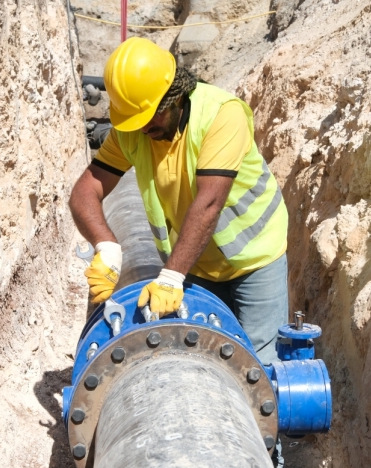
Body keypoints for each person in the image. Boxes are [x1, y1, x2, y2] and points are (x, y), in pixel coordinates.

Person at [68, 37, 289, 367]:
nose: (143, 128)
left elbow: (209, 202)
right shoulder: (133, 131)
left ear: (174, 96)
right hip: (195, 263)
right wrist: (107, 246)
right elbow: (84, 192)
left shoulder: (220, 115)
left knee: (258, 367)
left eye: (149, 116)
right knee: (201, 362)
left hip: (254, 259)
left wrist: (171, 277)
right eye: (135, 119)